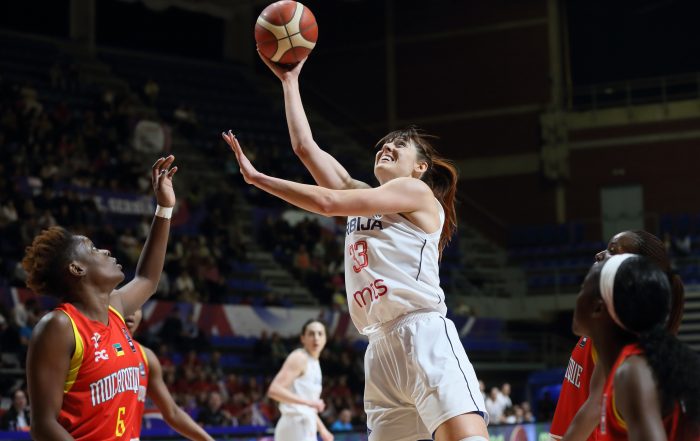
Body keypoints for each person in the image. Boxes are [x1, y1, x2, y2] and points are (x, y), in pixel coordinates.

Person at [222, 52, 489, 441]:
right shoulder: (362, 194)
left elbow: (327, 203)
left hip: (422, 332)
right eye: (384, 144)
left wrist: (259, 178)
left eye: (399, 145)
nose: (387, 147)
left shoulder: (415, 192)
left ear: (420, 167)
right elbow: (304, 147)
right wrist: (289, 83)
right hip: (378, 346)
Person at [24, 155, 178, 440]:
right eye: (93, 250)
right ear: (77, 268)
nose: (106, 251)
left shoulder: (115, 309)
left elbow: (147, 279)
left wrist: (164, 208)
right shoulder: (59, 326)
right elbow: (43, 425)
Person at [551, 231, 686, 441]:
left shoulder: (625, 337)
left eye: (612, 251)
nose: (599, 254)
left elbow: (595, 406)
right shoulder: (608, 325)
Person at [573, 255, 700, 440]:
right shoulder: (625, 364)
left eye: (583, 288)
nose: (577, 297)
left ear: (598, 308)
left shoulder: (632, 371)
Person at [124, 308, 215, 441]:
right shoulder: (95, 349)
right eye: (126, 304)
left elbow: (172, 412)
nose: (131, 311)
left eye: (137, 307)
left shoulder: (146, 357)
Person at [267, 319, 333, 441]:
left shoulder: (314, 362)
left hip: (305, 424)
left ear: (325, 339)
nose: (316, 338)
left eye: (320, 334)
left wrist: (322, 429)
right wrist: (310, 403)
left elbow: (307, 405)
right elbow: (274, 390)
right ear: (303, 338)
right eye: (311, 334)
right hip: (294, 424)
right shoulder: (299, 357)